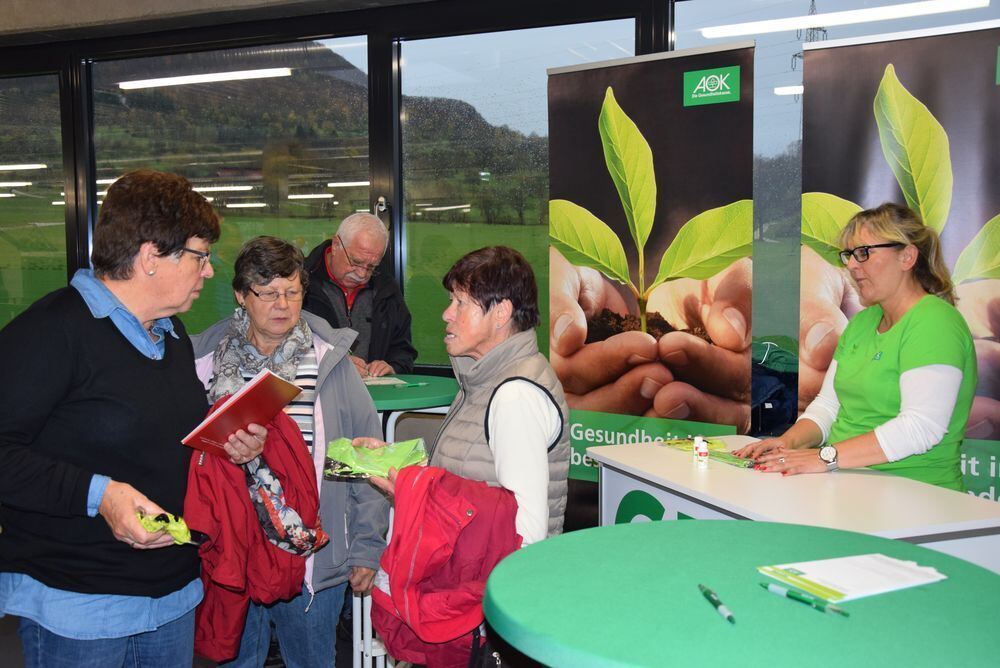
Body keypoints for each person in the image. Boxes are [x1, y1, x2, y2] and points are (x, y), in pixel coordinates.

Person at [0, 170, 265, 666]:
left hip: (172, 594)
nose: (208, 272)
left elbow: (159, 435)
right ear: (150, 256)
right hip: (79, 605)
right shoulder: (50, 333)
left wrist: (227, 442)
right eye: (200, 256)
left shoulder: (172, 336)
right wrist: (101, 495)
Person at [191, 236, 389, 667]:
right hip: (234, 551)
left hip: (312, 557)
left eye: (293, 291)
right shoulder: (203, 361)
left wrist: (366, 548)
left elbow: (368, 458)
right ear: (242, 296)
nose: (283, 304)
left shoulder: (330, 362)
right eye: (268, 293)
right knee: (237, 660)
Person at [735, 203, 977, 490]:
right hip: (846, 482)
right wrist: (786, 443)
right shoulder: (862, 323)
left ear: (907, 256)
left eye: (864, 253)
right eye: (849, 255)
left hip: (914, 492)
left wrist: (825, 457)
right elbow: (828, 406)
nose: (851, 265)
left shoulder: (935, 322)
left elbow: (920, 427)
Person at [366, 245, 570, 544]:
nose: (446, 313)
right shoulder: (482, 379)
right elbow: (473, 477)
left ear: (501, 313)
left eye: (460, 303)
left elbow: (525, 532)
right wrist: (398, 467)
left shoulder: (515, 395)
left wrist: (414, 494)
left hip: (488, 585)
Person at [303, 212, 416, 378]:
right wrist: (335, 365)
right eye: (355, 262)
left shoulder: (387, 288)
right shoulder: (300, 286)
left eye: (371, 267)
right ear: (335, 245)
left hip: (375, 395)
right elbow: (286, 351)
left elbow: (403, 348)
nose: (362, 274)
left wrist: (393, 366)